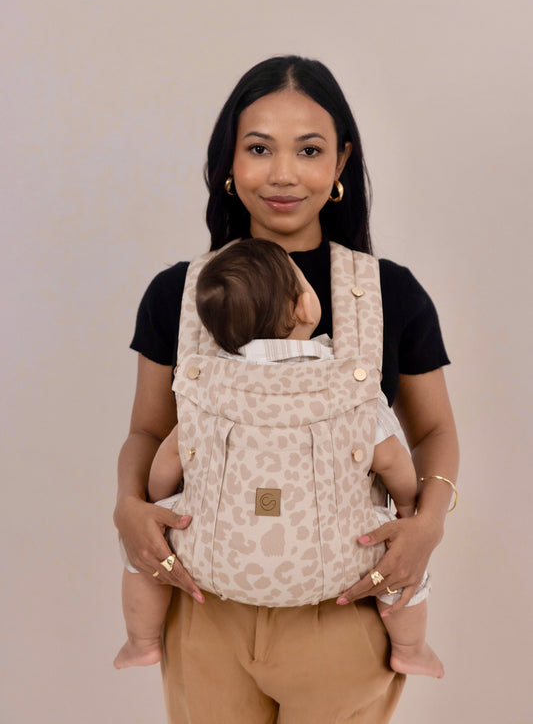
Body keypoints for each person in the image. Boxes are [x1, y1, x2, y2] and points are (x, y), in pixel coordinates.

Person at [114, 56, 459, 723]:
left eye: (308, 150)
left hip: (344, 611)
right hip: (205, 610)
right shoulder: (177, 294)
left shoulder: (390, 294)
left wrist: (429, 522)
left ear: (340, 161)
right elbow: (148, 432)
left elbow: (435, 431)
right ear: (228, 161)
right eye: (258, 148)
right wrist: (128, 507)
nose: (282, 174)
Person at [114, 239, 444, 679]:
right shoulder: (345, 381)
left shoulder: (205, 384)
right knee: (399, 568)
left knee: (143, 556)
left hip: (214, 560)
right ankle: (410, 648)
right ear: (306, 306)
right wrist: (407, 507)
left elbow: (166, 462)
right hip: (339, 562)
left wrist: (158, 502)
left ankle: (141, 640)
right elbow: (392, 459)